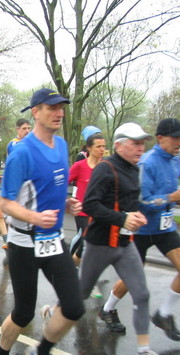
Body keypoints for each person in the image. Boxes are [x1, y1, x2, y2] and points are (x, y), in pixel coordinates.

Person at [0, 88, 84, 355]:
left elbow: (48, 189)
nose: (59, 113)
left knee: (74, 306)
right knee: (23, 312)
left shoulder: (61, 145)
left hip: (53, 239)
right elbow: (5, 203)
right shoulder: (22, 153)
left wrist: (65, 203)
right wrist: (34, 217)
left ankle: (41, 353)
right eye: (51, 107)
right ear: (35, 112)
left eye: (61, 107)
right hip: (24, 242)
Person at [80, 122, 175, 355]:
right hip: (100, 243)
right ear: (119, 145)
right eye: (135, 143)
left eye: (143, 143)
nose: (141, 148)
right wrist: (122, 218)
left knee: (141, 294)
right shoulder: (105, 168)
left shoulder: (134, 169)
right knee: (80, 295)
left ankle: (143, 353)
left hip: (125, 244)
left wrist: (138, 215)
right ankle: (55, 312)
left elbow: (132, 203)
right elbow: (90, 205)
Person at [102, 118, 180, 342]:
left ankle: (163, 314)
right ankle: (107, 309)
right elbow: (141, 202)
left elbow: (168, 194)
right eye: (176, 138)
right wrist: (170, 197)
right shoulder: (147, 163)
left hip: (164, 228)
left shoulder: (176, 161)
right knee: (131, 278)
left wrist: (178, 199)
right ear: (161, 138)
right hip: (141, 230)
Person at [68, 126, 107, 298]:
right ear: (89, 148)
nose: (102, 149)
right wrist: (67, 202)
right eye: (98, 146)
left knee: (91, 248)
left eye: (104, 146)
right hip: (83, 212)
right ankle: (88, 282)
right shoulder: (79, 166)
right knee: (88, 245)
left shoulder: (106, 166)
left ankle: (71, 269)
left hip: (100, 213)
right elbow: (63, 182)